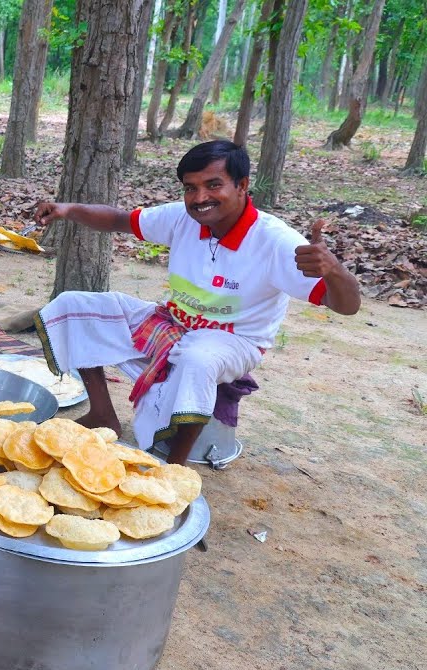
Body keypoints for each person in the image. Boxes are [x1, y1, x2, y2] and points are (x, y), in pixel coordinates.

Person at [32, 140, 360, 465]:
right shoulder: (183, 218)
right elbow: (120, 220)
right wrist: (68, 210)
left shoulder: (275, 241)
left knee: (197, 358)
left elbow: (345, 305)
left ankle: (174, 467)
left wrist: (333, 270)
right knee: (76, 306)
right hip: (172, 321)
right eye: (190, 188)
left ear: (242, 185)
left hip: (235, 340)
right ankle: (103, 415)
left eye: (213, 185)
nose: (200, 198)